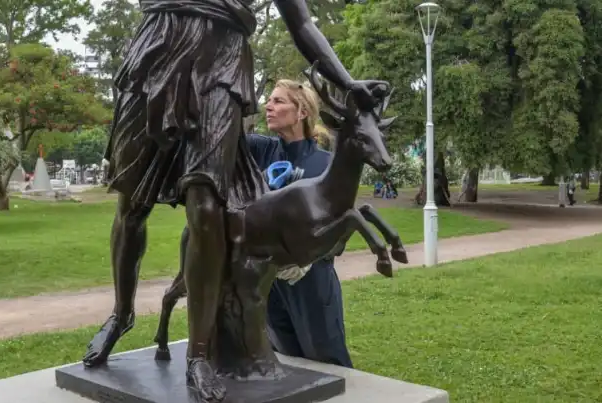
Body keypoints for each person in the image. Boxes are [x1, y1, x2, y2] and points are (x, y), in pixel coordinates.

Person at [83, 0, 387, 400]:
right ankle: (122, 314)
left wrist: (346, 81)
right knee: (131, 203)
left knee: (206, 208)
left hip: (222, 62)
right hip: (157, 48)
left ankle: (199, 354)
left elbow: (301, 20)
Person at [246, 79, 354, 368]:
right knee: (286, 363)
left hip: (311, 281)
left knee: (328, 363)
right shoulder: (261, 150)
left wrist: (311, 259)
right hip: (269, 281)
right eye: (268, 100)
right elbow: (222, 134)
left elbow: (342, 228)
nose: (268, 106)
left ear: (302, 111)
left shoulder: (326, 164)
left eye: (278, 101)